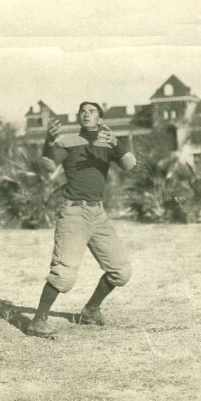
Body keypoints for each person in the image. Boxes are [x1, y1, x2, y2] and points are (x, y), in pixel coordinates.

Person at [27, 100, 137, 338]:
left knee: (121, 272)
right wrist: (48, 140)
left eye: (92, 111)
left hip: (98, 214)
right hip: (74, 213)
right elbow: (47, 166)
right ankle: (38, 321)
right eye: (83, 111)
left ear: (100, 118)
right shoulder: (69, 141)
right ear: (78, 117)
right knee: (64, 276)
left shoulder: (107, 143)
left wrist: (117, 144)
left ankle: (91, 310)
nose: (86, 114)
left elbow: (130, 164)